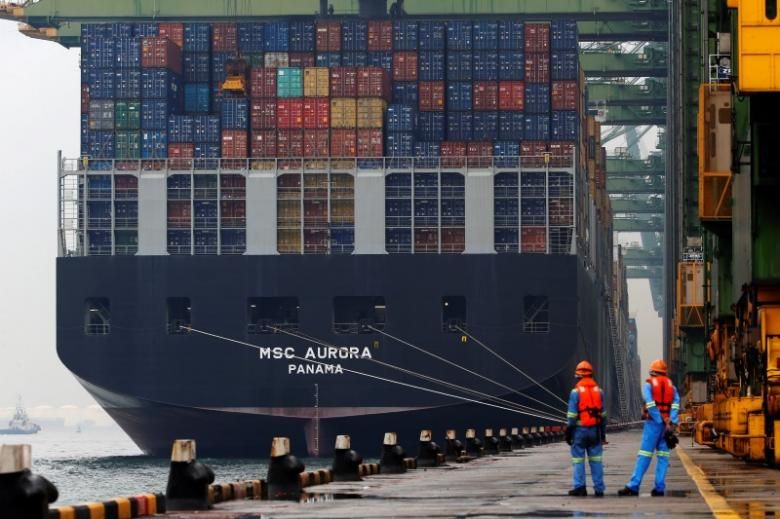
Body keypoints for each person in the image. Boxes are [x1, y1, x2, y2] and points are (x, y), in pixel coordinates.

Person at [618, 359, 680, 497]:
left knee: (645, 455)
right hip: (667, 427)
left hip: (653, 424)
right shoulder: (672, 387)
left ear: (652, 372)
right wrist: (672, 421)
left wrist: (659, 419)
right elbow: (676, 404)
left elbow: (650, 405)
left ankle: (633, 486)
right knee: (663, 457)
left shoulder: (648, 386)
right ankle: (659, 488)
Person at [565, 360, 607, 497]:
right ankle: (599, 489)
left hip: (579, 432)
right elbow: (603, 416)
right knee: (596, 460)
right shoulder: (599, 391)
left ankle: (580, 487)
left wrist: (568, 432)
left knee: (578, 460)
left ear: (577, 376)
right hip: (595, 431)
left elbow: (571, 416)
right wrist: (603, 434)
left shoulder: (575, 392)